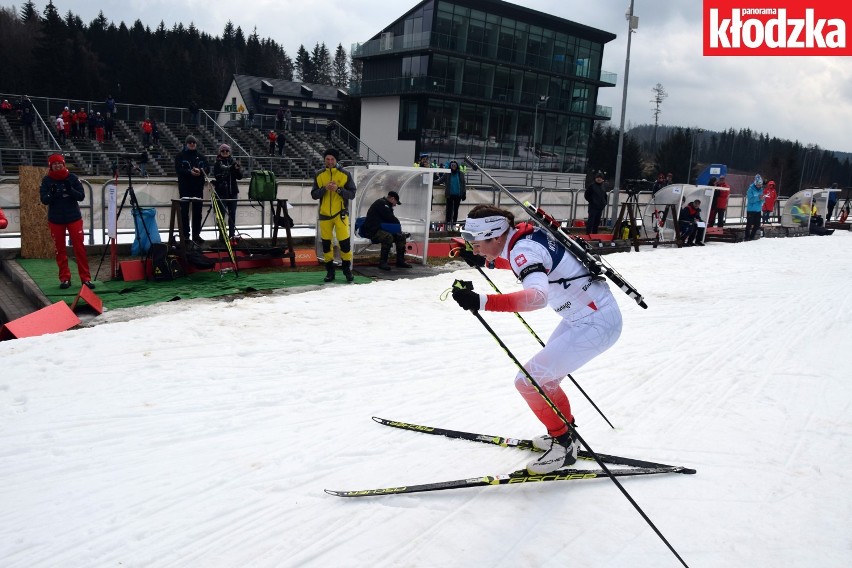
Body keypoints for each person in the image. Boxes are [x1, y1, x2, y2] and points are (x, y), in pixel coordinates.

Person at [451, 205, 623, 474]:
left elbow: (537, 297)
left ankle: (563, 447)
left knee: (528, 382)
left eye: (476, 241)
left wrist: (481, 301)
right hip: (586, 316)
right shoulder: (522, 236)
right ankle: (567, 433)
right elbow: (529, 262)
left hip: (595, 323)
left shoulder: (523, 249)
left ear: (496, 236)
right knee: (544, 380)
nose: (473, 246)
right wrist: (485, 261)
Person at [39, 154, 94, 289]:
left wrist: (71, 190)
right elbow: (44, 200)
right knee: (60, 250)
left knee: (79, 248)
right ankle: (65, 278)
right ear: (51, 166)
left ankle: (85, 278)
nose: (57, 166)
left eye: (60, 163)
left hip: (73, 217)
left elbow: (81, 196)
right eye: (54, 164)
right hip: (56, 219)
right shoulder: (47, 180)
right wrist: (51, 194)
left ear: (63, 164)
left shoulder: (72, 178)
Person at [311, 149, 357, 282]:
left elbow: (352, 194)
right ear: (324, 160)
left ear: (336, 160)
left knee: (344, 243)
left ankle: (347, 269)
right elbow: (314, 195)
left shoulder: (345, 174)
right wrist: (324, 189)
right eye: (327, 159)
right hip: (325, 215)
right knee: (326, 244)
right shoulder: (319, 175)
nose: (330, 162)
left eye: (332, 159)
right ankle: (330, 271)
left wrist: (338, 189)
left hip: (340, 214)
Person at [361, 191, 412, 271]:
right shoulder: (382, 204)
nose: (395, 205)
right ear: (392, 199)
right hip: (372, 231)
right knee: (388, 237)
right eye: (395, 202)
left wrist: (398, 232)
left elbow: (390, 221)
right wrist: (398, 227)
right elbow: (391, 219)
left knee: (401, 237)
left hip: (380, 229)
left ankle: (400, 261)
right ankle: (383, 262)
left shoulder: (386, 205)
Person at [174, 135, 209, 245]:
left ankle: (196, 235)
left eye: (194, 142)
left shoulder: (201, 157)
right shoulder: (180, 156)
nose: (192, 144)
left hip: (198, 188)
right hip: (185, 188)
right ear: (186, 144)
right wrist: (189, 172)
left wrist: (200, 171)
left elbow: (208, 169)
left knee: (197, 213)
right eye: (189, 142)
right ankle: (185, 236)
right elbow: (178, 170)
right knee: (184, 212)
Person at [212, 143, 243, 240]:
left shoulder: (233, 162)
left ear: (230, 152)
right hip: (221, 192)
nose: (225, 152)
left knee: (232, 214)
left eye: (227, 151)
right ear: (220, 152)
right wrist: (230, 169)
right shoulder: (217, 163)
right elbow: (217, 176)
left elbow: (240, 177)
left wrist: (237, 169)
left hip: (232, 191)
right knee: (221, 215)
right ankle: (222, 236)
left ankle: (232, 234)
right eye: (223, 151)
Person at [443, 160, 467, 229]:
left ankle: (454, 224)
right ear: (450, 166)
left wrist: (464, 193)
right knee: (449, 210)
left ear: (457, 166)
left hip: (458, 195)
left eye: (455, 165)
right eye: (452, 165)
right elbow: (440, 180)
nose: (453, 167)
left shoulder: (460, 174)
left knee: (456, 210)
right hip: (449, 195)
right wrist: (432, 181)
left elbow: (463, 184)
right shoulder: (447, 174)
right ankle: (447, 225)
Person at [584, 171, 608, 235]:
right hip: (593, 207)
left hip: (600, 207)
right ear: (595, 178)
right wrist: (592, 201)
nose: (599, 179)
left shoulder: (603, 186)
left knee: (597, 222)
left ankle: (594, 234)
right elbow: (586, 195)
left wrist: (605, 203)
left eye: (600, 177)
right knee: (590, 221)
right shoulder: (592, 186)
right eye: (597, 177)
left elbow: (605, 196)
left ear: (602, 179)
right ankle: (588, 234)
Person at [745, 174, 765, 241]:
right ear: (755, 183)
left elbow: (762, 201)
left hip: (758, 210)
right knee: (749, 225)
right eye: (758, 185)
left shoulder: (761, 190)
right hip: (751, 210)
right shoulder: (750, 190)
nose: (760, 186)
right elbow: (750, 200)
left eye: (760, 185)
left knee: (757, 225)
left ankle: (752, 237)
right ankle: (747, 237)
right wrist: (759, 198)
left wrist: (763, 199)